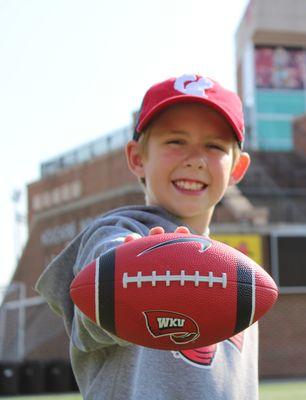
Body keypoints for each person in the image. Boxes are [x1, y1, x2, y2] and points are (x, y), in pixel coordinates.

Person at [36, 74, 255, 399]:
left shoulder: (237, 276)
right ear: (137, 157)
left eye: (214, 146)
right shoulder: (119, 234)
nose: (195, 159)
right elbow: (95, 303)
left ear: (237, 170)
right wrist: (127, 272)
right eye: (175, 141)